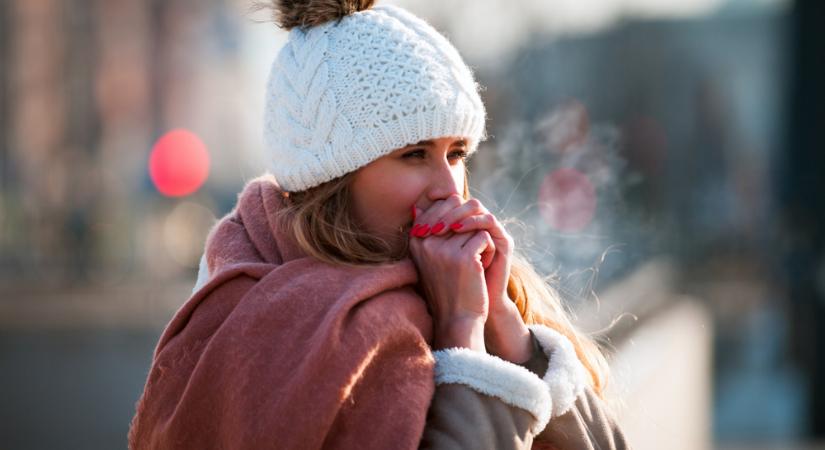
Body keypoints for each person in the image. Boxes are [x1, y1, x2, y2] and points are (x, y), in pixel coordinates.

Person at [129, 1, 631, 449]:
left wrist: (504, 325)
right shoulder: (257, 319)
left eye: (455, 153)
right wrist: (462, 338)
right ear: (332, 182)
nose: (449, 189)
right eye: (413, 154)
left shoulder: (480, 287)